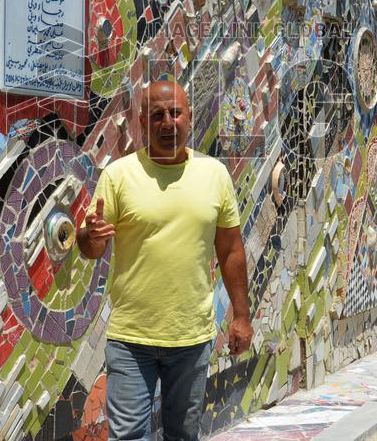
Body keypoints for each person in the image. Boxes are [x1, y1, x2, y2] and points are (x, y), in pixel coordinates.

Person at [77, 81, 252, 440]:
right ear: (143, 121)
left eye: (175, 113)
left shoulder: (215, 175)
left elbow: (231, 249)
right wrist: (88, 237)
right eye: (157, 115)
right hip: (130, 339)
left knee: (184, 435)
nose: (168, 122)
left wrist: (242, 316)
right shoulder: (118, 176)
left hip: (191, 337)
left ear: (189, 116)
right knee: (127, 437)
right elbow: (90, 248)